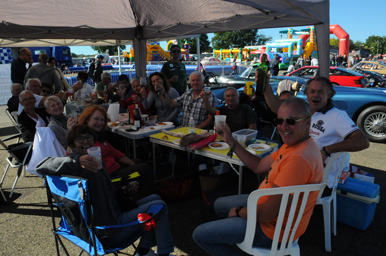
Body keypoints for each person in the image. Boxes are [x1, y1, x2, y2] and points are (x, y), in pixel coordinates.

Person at [193, 97, 323, 256]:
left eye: (291, 121)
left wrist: (240, 211)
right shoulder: (296, 144)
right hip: (266, 206)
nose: (283, 127)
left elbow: (268, 213)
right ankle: (232, 235)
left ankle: (236, 240)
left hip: (271, 231)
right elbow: (258, 166)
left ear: (308, 122)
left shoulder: (297, 159)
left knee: (199, 235)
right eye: (279, 120)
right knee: (219, 204)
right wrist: (230, 140)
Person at [36, 125, 174, 256]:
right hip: (109, 231)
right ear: (71, 146)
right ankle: (160, 253)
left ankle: (144, 251)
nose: (86, 141)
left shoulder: (95, 163)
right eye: (80, 139)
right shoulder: (76, 165)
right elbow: (41, 166)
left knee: (155, 198)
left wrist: (121, 191)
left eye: (89, 137)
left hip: (99, 222)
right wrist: (77, 161)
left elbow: (102, 194)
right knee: (159, 207)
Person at [261, 75, 370, 189]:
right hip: (296, 166)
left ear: (329, 94)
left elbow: (362, 141)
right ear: (307, 94)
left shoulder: (337, 116)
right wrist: (266, 86)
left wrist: (326, 150)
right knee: (266, 173)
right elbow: (276, 107)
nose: (315, 95)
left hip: (318, 180)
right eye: (312, 91)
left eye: (321, 92)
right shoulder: (305, 110)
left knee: (270, 184)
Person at [75, 105, 154, 198]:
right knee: (144, 168)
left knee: (138, 161)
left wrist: (132, 163)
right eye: (96, 119)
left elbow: (114, 152)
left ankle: (139, 195)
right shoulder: (85, 140)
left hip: (115, 168)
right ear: (87, 120)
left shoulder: (99, 136)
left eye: (102, 120)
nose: (99, 123)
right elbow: (72, 153)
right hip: (110, 176)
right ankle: (149, 199)